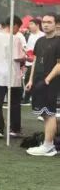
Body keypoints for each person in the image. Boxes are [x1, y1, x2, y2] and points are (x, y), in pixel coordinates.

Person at [26, 12, 59, 156]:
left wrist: (48, 79)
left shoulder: (58, 41)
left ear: (56, 24)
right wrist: (31, 80)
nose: (45, 24)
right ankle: (48, 144)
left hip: (51, 83)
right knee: (44, 114)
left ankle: (48, 146)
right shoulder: (40, 41)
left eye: (49, 22)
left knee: (50, 113)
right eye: (44, 22)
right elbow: (35, 61)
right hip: (38, 81)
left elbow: (59, 64)